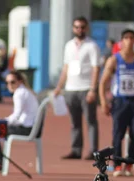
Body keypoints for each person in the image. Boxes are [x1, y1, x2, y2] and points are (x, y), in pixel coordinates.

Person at [99, 29, 134, 177]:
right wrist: (103, 102)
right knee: (118, 134)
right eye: (126, 38)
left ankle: (130, 163)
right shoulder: (114, 60)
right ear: (122, 41)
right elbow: (103, 82)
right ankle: (118, 165)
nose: (129, 41)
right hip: (120, 101)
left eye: (132, 38)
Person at [53, 16, 101, 160]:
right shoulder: (69, 45)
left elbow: (96, 68)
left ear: (86, 28)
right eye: (77, 27)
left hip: (86, 88)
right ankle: (76, 149)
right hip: (71, 88)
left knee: (90, 121)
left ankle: (93, 150)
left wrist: (93, 89)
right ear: (73, 28)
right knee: (75, 122)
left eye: (82, 27)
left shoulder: (92, 46)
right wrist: (59, 86)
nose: (79, 30)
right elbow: (65, 68)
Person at [0, 71, 40, 168]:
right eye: (7, 83)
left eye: (12, 82)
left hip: (27, 129)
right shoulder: (25, 91)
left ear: (19, 81)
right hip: (31, 127)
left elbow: (16, 115)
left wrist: (2, 122)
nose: (9, 85)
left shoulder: (19, 93)